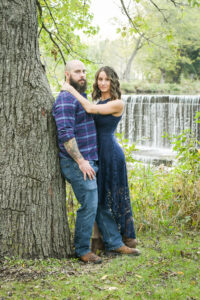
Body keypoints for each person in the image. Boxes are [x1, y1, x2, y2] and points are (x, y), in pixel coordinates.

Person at [52, 60, 140, 264]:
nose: (82, 75)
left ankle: (114, 242)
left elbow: (91, 110)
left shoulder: (85, 98)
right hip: (79, 162)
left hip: (99, 157)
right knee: (91, 202)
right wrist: (81, 161)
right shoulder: (66, 99)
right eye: (77, 72)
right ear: (67, 75)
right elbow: (65, 133)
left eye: (84, 71)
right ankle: (83, 249)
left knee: (100, 202)